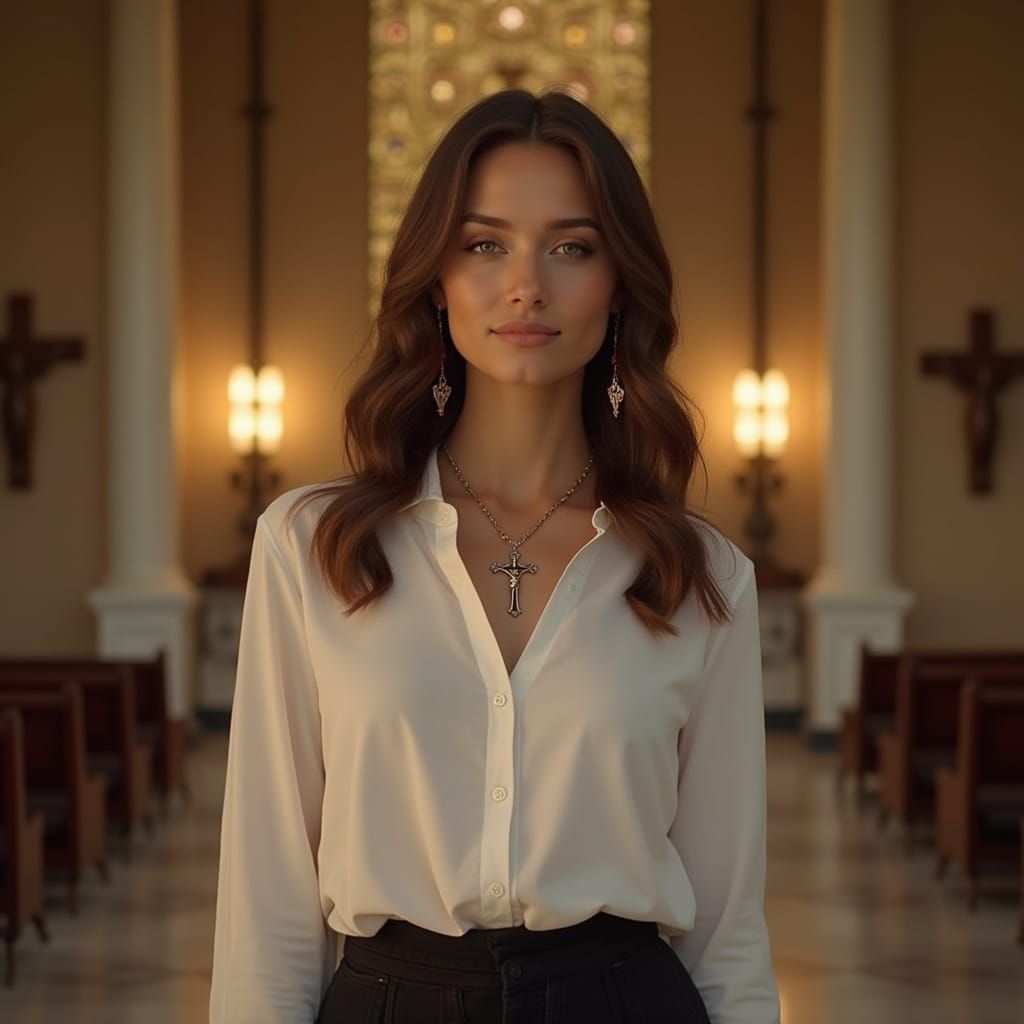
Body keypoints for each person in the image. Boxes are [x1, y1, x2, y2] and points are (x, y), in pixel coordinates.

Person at [210, 88, 781, 1024]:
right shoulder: (312, 548)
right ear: (435, 279)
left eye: (572, 247)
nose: (527, 285)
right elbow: (268, 904)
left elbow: (727, 926)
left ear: (618, 282)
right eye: (485, 245)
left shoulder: (702, 578)